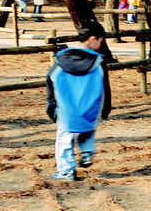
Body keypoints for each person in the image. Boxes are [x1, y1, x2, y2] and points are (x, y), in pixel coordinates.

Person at [46, 21, 112, 181]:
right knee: (87, 129)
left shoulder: (60, 61)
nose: (100, 45)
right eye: (100, 41)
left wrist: (51, 107)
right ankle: (87, 151)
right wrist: (105, 109)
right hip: (90, 108)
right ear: (92, 39)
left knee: (64, 140)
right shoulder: (98, 63)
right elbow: (105, 88)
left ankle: (67, 172)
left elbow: (50, 82)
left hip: (66, 109)